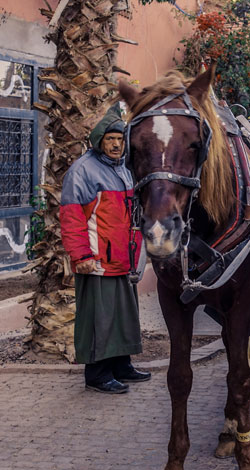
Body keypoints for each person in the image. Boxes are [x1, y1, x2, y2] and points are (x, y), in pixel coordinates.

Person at [60, 103, 151, 394]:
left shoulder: (124, 169)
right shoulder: (83, 171)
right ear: (99, 141)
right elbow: (72, 217)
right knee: (100, 319)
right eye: (110, 139)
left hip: (122, 259)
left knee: (122, 315)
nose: (116, 144)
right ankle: (97, 375)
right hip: (97, 261)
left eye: (120, 139)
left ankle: (121, 366)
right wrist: (81, 255)